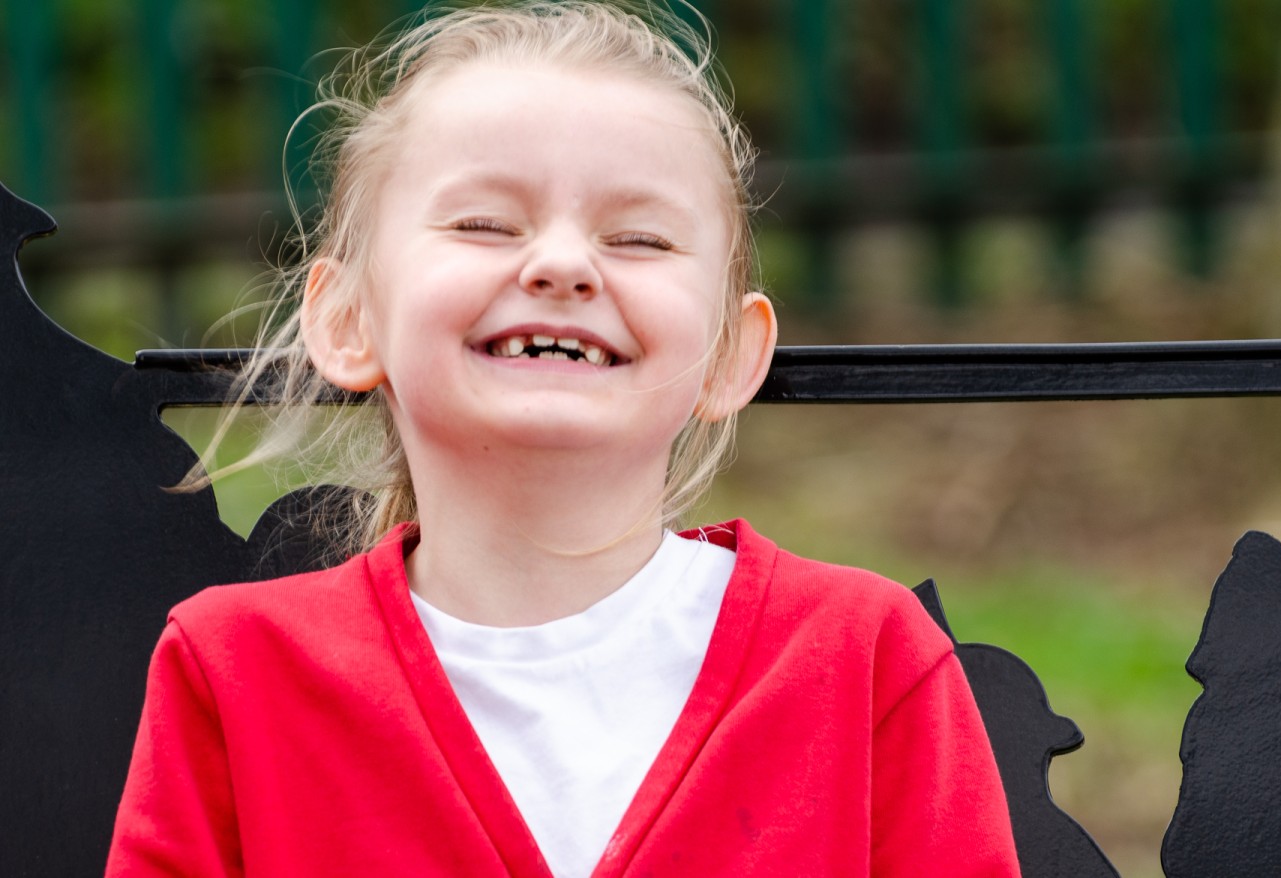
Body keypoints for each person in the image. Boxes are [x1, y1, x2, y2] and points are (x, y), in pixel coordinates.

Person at [106, 3, 1018, 875]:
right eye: (484, 225)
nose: (562, 264)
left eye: (640, 239)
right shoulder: (234, 671)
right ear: (347, 319)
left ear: (729, 355)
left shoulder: (864, 658)